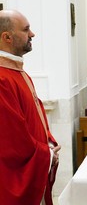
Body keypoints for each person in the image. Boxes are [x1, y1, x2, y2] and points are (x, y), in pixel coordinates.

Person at [0, 10, 61, 204]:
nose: (32, 34)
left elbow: (36, 116)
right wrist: (47, 154)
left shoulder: (18, 72)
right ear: (7, 37)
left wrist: (49, 142)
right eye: (26, 29)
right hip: (11, 177)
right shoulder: (2, 79)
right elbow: (12, 138)